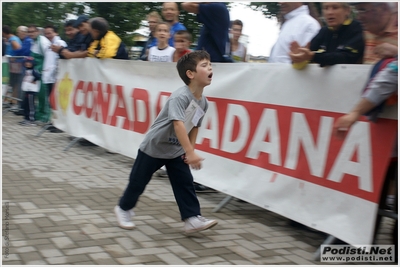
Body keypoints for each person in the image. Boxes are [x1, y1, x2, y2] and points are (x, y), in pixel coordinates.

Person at [114, 50, 218, 233]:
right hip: (154, 147)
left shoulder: (203, 102)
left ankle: (192, 218)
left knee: (185, 182)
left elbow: (194, 126)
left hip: (176, 150)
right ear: (190, 74)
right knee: (138, 182)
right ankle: (123, 208)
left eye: (210, 65)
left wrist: (189, 151)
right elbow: (178, 125)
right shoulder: (180, 97)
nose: (210, 68)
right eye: (204, 65)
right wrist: (191, 151)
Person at [289, 2, 365, 69]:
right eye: (326, 8)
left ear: (347, 11)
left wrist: (313, 56)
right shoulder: (324, 31)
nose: (329, 12)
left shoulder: (357, 28)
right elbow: (308, 55)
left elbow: (346, 58)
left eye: (335, 8)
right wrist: (299, 58)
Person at [28, 24, 52, 124]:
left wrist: (45, 71)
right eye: (29, 32)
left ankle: (46, 117)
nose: (31, 34)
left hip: (43, 70)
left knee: (43, 94)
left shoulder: (42, 41)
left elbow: (48, 56)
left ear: (37, 31)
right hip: (37, 71)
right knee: (38, 93)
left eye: (33, 31)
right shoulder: (33, 42)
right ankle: (39, 115)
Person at [3, 25, 23, 111]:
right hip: (12, 64)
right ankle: (9, 101)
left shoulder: (12, 39)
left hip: (15, 64)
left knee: (14, 83)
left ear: (3, 32)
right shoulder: (10, 39)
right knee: (11, 83)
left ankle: (14, 102)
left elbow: (18, 48)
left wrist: (14, 57)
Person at [18, 57, 41, 126]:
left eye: (29, 62)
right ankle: (26, 118)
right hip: (27, 91)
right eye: (26, 62)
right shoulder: (27, 70)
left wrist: (34, 80)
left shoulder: (34, 71)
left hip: (31, 91)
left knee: (31, 106)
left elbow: (38, 76)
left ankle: (31, 120)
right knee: (25, 105)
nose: (27, 64)